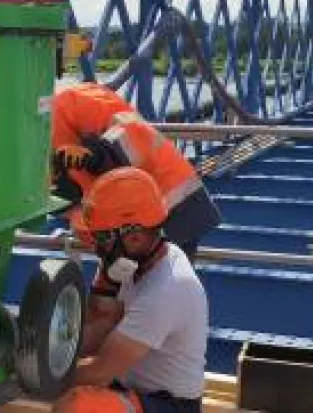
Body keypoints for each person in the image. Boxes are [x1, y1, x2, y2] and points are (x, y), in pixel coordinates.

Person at [53, 167, 208, 413]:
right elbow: (104, 325)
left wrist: (36, 378)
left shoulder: (168, 289)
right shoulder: (138, 263)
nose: (97, 249)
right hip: (132, 388)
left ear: (133, 238)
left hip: (168, 405)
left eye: (102, 239)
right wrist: (51, 353)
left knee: (78, 407)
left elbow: (99, 372)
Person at [50, 82, 222, 265]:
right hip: (139, 214)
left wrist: (97, 156)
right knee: (142, 282)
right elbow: (67, 194)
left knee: (165, 280)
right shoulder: (42, 128)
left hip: (173, 202)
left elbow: (131, 133)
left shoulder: (74, 102)